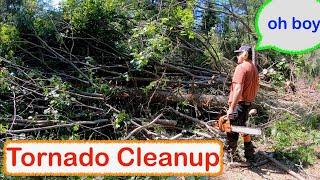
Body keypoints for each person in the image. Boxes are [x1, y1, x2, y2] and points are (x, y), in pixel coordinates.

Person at [226, 45, 259, 162]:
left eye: (239, 54)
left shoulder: (241, 68)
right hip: (247, 104)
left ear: (245, 54)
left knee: (232, 129)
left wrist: (231, 107)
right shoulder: (254, 68)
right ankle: (250, 154)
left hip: (239, 104)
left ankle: (231, 154)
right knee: (243, 128)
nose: (237, 56)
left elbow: (238, 89)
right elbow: (256, 88)